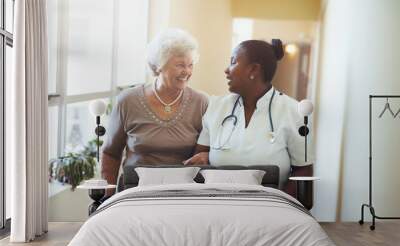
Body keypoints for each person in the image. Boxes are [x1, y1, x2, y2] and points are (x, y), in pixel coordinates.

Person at [184, 39, 313, 197]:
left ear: (253, 70)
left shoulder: (294, 111)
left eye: (233, 62)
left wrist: (279, 204)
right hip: (218, 204)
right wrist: (206, 157)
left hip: (270, 209)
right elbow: (199, 162)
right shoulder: (217, 107)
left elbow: (303, 172)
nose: (226, 70)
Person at [101, 28, 208, 197]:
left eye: (190, 65)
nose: (187, 72)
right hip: (135, 191)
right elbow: (111, 153)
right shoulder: (128, 101)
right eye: (180, 65)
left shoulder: (201, 102)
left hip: (183, 193)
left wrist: (206, 155)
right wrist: (106, 197)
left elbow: (207, 151)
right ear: (159, 66)